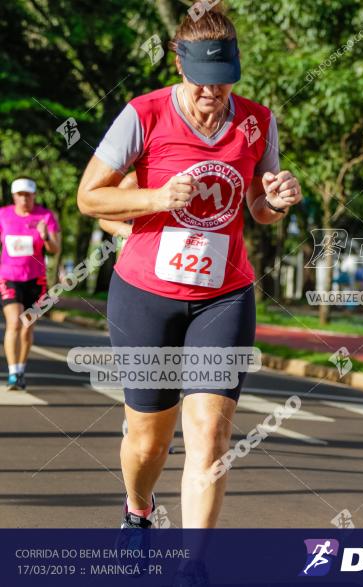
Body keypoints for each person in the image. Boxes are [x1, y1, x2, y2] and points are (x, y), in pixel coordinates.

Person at [77, 5, 301, 532]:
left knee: (210, 434)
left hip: (224, 296)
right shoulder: (144, 114)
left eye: (223, 83)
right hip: (146, 292)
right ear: (180, 67)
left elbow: (262, 211)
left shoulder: (257, 121)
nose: (212, 94)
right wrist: (156, 195)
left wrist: (279, 198)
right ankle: (138, 507)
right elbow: (89, 197)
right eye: (201, 82)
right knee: (149, 438)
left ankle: (194, 563)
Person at [1, 178, 61, 391]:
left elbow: (54, 249)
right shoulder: (3, 215)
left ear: (34, 195)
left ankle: (21, 370)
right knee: (14, 324)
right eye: (20, 194)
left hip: (36, 280)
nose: (24, 199)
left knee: (27, 327)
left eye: (28, 194)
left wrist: (45, 236)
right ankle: (13, 373)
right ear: (14, 196)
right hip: (9, 277)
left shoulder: (45, 216)